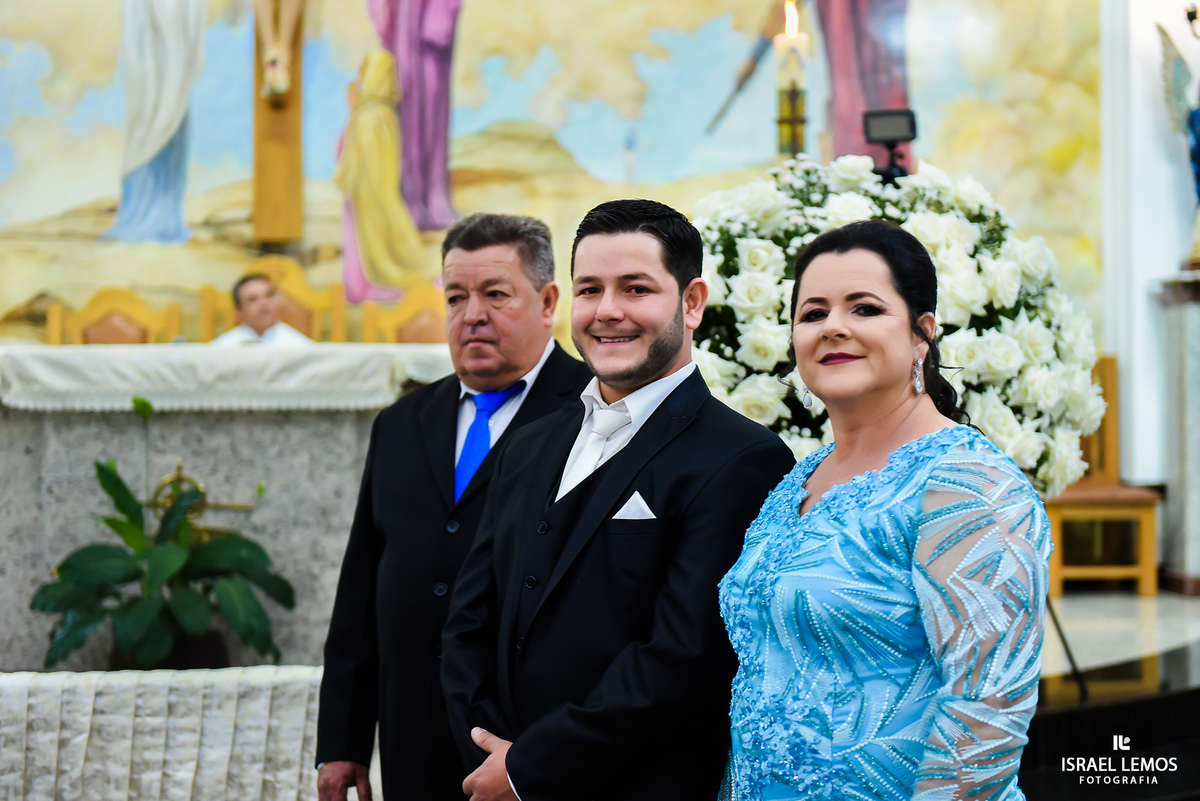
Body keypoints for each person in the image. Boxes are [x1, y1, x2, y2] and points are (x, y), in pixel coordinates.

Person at [441, 199, 795, 801]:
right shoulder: (529, 444)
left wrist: (531, 767)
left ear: (691, 302)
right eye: (589, 290)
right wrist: (487, 748)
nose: (607, 312)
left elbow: (685, 657)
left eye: (635, 289)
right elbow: (468, 619)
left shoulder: (742, 459)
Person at [718, 220, 1051, 800]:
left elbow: (988, 711)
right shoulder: (800, 477)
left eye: (865, 308)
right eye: (812, 313)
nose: (834, 328)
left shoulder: (968, 485)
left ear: (923, 333)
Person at [316, 214, 592, 801]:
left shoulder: (596, 411)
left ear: (547, 302)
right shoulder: (401, 424)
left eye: (495, 295)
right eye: (456, 297)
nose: (472, 316)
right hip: (411, 729)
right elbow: (362, 590)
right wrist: (342, 740)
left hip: (527, 734)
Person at [334, 49, 438, 302]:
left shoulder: (373, 116)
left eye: (364, 73)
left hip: (370, 194)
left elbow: (364, 161)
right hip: (364, 195)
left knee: (379, 242)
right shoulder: (376, 113)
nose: (360, 80)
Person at [209, 274, 314, 346]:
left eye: (269, 295)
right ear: (238, 312)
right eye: (253, 299)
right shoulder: (220, 349)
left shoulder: (300, 346)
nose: (263, 303)